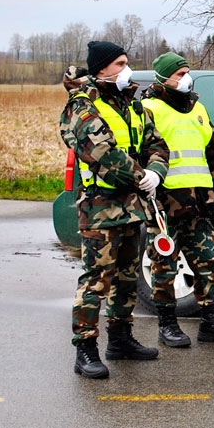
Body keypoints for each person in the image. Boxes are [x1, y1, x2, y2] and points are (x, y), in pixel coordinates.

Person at [60, 41, 170, 379]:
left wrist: (157, 172)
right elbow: (104, 153)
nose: (127, 69)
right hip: (100, 211)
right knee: (96, 281)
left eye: (127, 62)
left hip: (131, 208)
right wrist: (142, 178)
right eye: (120, 63)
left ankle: (120, 340)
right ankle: (86, 349)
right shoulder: (82, 107)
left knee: (126, 278)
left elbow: (157, 144)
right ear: (102, 69)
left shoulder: (134, 107)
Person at [141, 52, 214, 347]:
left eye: (187, 72)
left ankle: (211, 322)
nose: (186, 78)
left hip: (199, 204)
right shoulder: (148, 109)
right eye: (179, 73)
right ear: (163, 77)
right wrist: (151, 193)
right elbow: (142, 154)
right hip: (165, 205)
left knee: (209, 262)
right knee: (164, 266)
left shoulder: (197, 108)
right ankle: (167, 325)